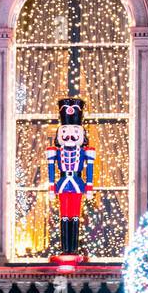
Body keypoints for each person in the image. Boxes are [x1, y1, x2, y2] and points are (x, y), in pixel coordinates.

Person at [45, 97, 95, 264]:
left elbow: (89, 170)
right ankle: (65, 248)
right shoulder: (55, 152)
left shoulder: (86, 152)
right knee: (64, 216)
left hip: (77, 184)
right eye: (65, 131)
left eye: (74, 132)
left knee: (75, 215)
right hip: (63, 184)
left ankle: (73, 248)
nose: (70, 136)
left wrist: (89, 187)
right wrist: (51, 187)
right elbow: (51, 170)